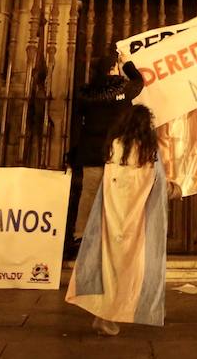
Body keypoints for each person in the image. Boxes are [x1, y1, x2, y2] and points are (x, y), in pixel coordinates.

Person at [66, 103, 167, 336]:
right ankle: (108, 315)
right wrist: (175, 190)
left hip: (111, 216)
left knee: (108, 266)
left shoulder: (115, 146)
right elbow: (156, 186)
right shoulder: (148, 152)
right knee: (129, 270)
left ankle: (103, 315)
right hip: (136, 221)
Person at [65, 57, 144, 256]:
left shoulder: (86, 94)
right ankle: (114, 237)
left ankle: (81, 235)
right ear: (112, 69)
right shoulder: (123, 90)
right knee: (117, 196)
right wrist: (127, 64)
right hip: (116, 153)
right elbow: (139, 81)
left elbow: (77, 118)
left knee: (89, 194)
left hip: (91, 152)